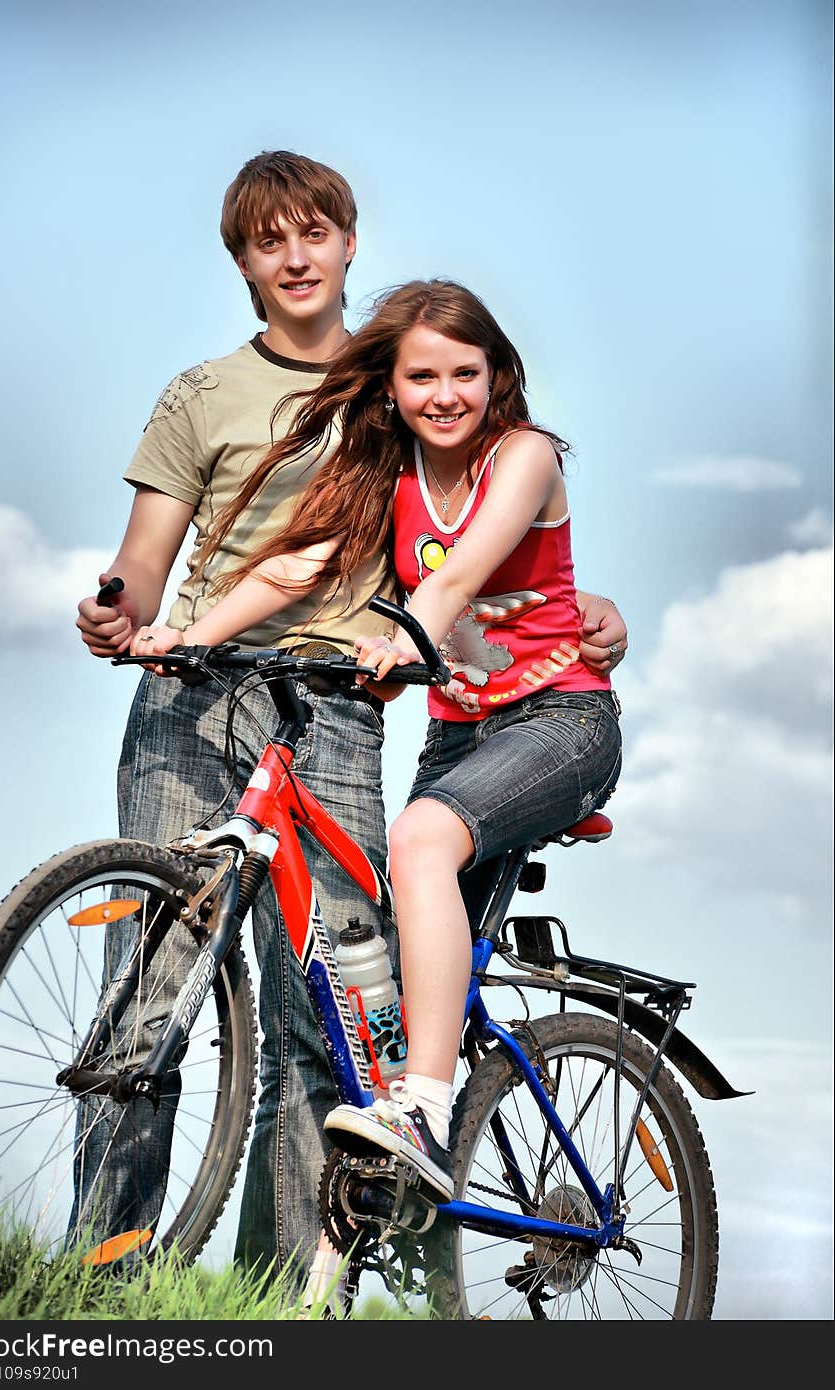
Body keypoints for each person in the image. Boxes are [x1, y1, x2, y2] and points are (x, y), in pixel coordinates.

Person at [76, 151, 627, 1293]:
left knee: (330, 1017)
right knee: (169, 996)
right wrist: (157, 619)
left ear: (346, 244)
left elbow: (475, 562)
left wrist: (542, 618)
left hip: (394, 709)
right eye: (267, 241)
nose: (293, 257)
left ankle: (318, 1255)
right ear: (240, 261)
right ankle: (113, 1280)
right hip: (293, 704)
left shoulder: (455, 429)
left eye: (311, 234)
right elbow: (248, 558)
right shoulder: (251, 414)